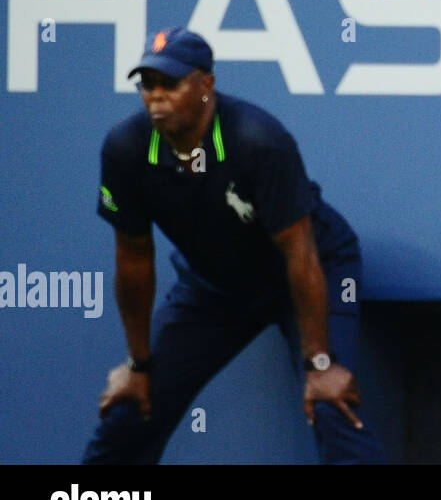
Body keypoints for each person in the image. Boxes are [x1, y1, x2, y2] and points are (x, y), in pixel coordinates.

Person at [84, 26, 385, 464]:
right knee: (130, 410)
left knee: (330, 401)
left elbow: (300, 254)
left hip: (310, 269)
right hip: (214, 287)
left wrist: (320, 363)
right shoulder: (125, 149)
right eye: (147, 84)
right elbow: (133, 261)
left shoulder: (258, 141)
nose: (156, 96)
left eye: (171, 83)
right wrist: (137, 364)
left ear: (206, 86)